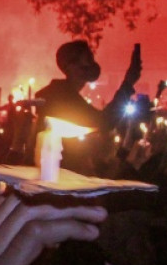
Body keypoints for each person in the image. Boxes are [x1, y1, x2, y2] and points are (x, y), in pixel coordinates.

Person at [34, 40, 141, 174]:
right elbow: (104, 121)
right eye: (87, 59)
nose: (92, 64)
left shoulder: (61, 94)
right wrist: (128, 83)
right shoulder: (61, 96)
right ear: (70, 66)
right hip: (57, 180)